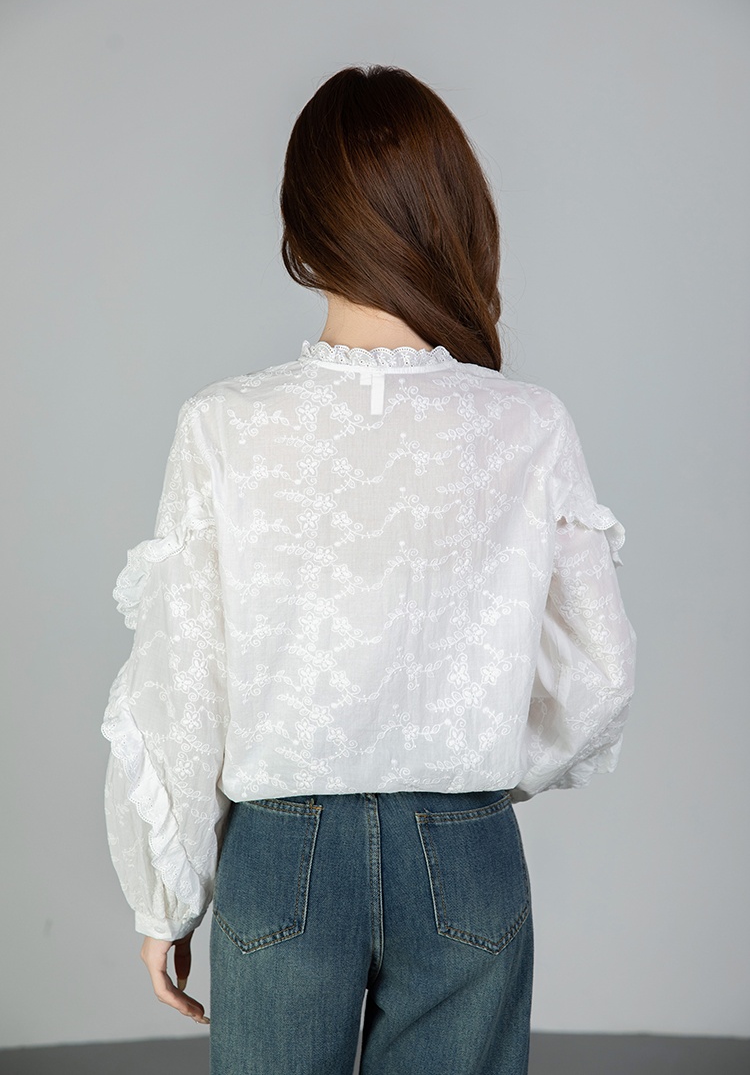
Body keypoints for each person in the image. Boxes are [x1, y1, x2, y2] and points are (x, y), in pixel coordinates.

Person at [101, 65, 637, 1075]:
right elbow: (597, 675)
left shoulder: (226, 427)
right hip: (466, 855)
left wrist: (164, 897)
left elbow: (182, 684)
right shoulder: (526, 425)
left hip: (282, 859)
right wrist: (467, 773)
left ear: (301, 230)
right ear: (454, 214)